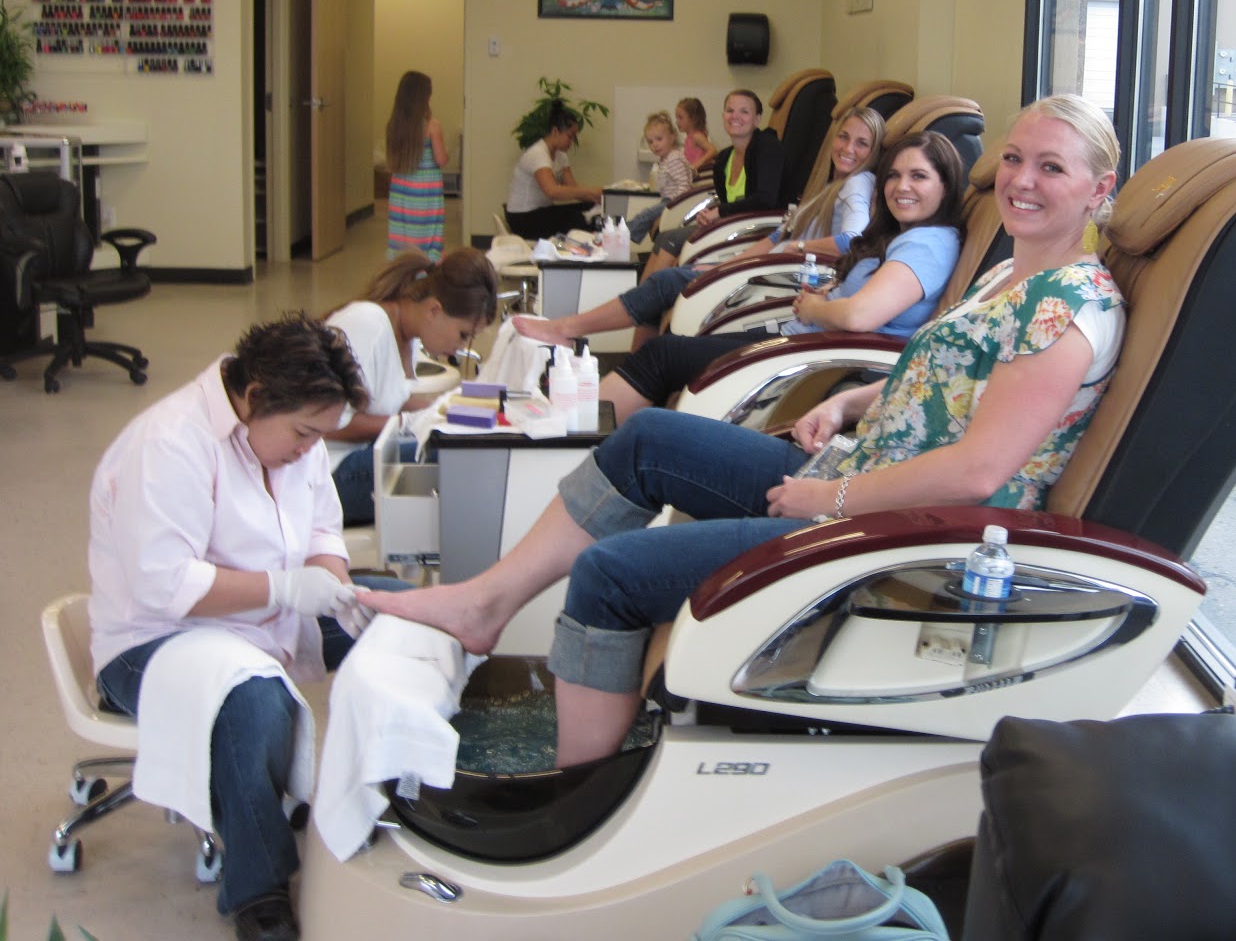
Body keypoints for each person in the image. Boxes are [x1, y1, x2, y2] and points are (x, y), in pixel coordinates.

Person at [363, 93, 1127, 769]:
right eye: (1017, 160)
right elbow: (945, 384)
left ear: (1101, 191)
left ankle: (578, 788)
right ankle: (488, 603)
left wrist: (828, 496)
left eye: (1051, 169)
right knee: (645, 437)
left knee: (611, 577)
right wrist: (851, 403)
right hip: (860, 471)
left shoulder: (1066, 309)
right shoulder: (1010, 276)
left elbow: (977, 473)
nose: (1024, 181)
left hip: (901, 535)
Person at [89, 313, 411, 941]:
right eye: (302, 433)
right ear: (255, 396)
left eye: (322, 434)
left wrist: (332, 580)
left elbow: (322, 525)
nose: (309, 449)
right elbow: (163, 583)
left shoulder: (294, 435)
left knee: (402, 615)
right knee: (254, 702)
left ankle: (389, 795)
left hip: (263, 614)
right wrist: (286, 588)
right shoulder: (169, 444)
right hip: (153, 640)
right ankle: (259, 890)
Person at [592, 128, 965, 423]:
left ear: (945, 185)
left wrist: (813, 308)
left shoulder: (928, 244)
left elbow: (858, 316)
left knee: (663, 357)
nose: (901, 187)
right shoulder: (899, 234)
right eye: (895, 176)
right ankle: (594, 435)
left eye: (919, 177)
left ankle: (578, 435)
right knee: (668, 355)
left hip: (817, 364)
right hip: (804, 342)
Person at [515, 106, 887, 350]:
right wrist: (732, 263)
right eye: (843, 137)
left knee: (664, 282)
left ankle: (568, 329)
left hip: (781, 281)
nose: (848, 148)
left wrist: (794, 251)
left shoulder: (856, 185)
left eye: (861, 143)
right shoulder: (827, 186)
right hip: (763, 269)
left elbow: (851, 240)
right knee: (668, 281)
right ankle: (597, 342)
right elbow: (777, 236)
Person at [323, 249, 498, 525]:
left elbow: (387, 399)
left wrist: (443, 409)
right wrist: (407, 423)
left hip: (362, 453)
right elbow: (327, 423)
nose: (461, 347)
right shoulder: (369, 325)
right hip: (328, 475)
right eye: (463, 335)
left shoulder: (409, 335)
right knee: (457, 456)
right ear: (434, 310)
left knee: (467, 439)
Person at [642, 88, 782, 277]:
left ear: (757, 119)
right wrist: (710, 215)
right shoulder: (724, 158)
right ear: (723, 115)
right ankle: (646, 296)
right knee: (663, 238)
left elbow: (765, 199)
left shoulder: (767, 147)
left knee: (672, 241)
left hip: (753, 229)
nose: (735, 116)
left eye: (744, 111)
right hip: (730, 223)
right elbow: (726, 203)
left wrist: (720, 212)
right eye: (730, 110)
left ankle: (650, 301)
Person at [506, 100, 604, 240]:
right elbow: (552, 191)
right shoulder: (538, 154)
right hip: (523, 218)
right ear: (555, 131)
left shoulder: (561, 156)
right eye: (570, 136)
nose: (572, 142)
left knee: (589, 207)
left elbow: (573, 189)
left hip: (541, 212)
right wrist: (590, 190)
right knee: (575, 219)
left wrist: (599, 198)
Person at [384, 70, 448, 261]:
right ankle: (426, 266)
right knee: (427, 233)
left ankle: (402, 267)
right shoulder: (432, 126)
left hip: (401, 189)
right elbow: (441, 159)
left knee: (403, 231)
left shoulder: (394, 125)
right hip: (425, 191)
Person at [625, 111, 696, 243]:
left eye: (659, 139)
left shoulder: (674, 159)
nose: (655, 145)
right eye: (650, 142)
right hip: (670, 200)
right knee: (647, 215)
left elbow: (684, 186)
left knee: (646, 215)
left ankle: (623, 233)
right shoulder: (668, 158)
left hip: (675, 201)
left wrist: (673, 205)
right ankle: (627, 233)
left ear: (672, 137)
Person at [676, 96, 715, 170]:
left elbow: (712, 150)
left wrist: (699, 162)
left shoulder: (697, 136)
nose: (677, 121)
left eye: (680, 118)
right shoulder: (688, 138)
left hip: (703, 173)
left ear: (693, 119)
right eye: (676, 117)